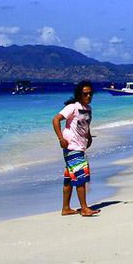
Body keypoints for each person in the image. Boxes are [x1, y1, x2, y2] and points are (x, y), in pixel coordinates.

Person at [52, 80, 98, 217]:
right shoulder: (72, 107)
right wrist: (61, 139)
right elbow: (55, 120)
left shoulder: (88, 109)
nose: (88, 96)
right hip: (72, 147)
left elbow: (84, 125)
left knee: (69, 178)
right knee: (80, 177)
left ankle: (66, 208)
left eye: (90, 94)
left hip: (80, 146)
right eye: (85, 94)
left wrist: (88, 136)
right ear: (79, 94)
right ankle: (84, 208)